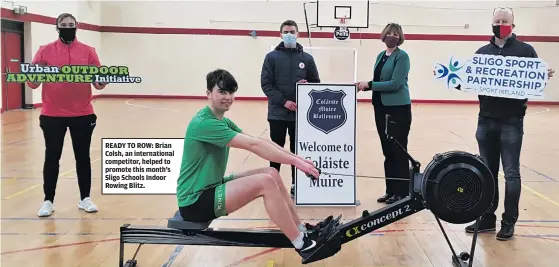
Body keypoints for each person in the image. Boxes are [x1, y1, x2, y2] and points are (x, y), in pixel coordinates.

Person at [177, 69, 335, 260]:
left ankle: (301, 229)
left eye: (231, 92)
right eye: (222, 92)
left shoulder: (222, 121)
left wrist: (300, 160)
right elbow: (253, 146)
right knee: (264, 183)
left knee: (271, 173)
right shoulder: (204, 123)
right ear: (208, 93)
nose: (228, 97)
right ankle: (302, 244)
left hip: (212, 186)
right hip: (195, 201)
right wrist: (297, 163)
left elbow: (259, 140)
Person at [464, 7, 555, 241]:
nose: (501, 24)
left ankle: (509, 222)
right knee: (487, 173)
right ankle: (486, 219)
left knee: (512, 174)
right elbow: (471, 83)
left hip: (512, 121)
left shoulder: (526, 51)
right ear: (491, 23)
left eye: (505, 21)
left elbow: (535, 84)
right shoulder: (481, 52)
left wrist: (541, 76)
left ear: (513, 24)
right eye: (497, 20)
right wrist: (452, 78)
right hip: (485, 120)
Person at [27, 13, 107, 217]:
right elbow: (33, 83)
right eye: (64, 25)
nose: (68, 28)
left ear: (77, 27)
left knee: (83, 157)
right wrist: (32, 76)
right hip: (52, 114)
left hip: (82, 113)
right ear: (57, 28)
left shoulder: (89, 52)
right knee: (52, 157)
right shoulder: (44, 51)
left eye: (71, 25)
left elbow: (98, 83)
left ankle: (85, 198)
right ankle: (48, 200)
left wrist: (104, 80)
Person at [260, 20, 321, 198]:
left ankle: (297, 184)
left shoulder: (307, 59)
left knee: (297, 152)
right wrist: (284, 102)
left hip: (299, 115)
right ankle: (273, 185)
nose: (289, 34)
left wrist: (307, 84)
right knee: (276, 150)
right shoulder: (271, 57)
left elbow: (316, 83)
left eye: (292, 31)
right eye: (286, 31)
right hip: (277, 114)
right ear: (280, 34)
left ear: (298, 34)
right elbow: (266, 84)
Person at [356, 23, 412, 204]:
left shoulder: (402, 57)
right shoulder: (381, 56)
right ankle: (391, 190)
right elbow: (380, 80)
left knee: (399, 150)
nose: (392, 37)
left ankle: (402, 192)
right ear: (384, 35)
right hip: (380, 106)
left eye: (396, 34)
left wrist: (370, 85)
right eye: (390, 33)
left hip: (398, 109)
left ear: (400, 38)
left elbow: (395, 83)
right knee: (388, 150)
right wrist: (365, 86)